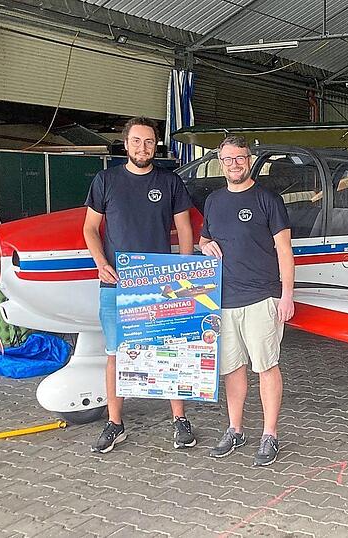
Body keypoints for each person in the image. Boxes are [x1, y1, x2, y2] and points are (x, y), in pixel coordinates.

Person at [82, 117, 196, 454]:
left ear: (156, 145)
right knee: (115, 354)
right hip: (116, 282)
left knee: (168, 351)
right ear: (126, 143)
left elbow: (185, 229)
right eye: (136, 141)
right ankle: (115, 424)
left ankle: (179, 420)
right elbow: (90, 228)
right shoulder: (106, 180)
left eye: (148, 142)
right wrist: (101, 263)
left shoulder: (170, 181)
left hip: (160, 283)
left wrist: (182, 270)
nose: (142, 147)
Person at [198, 135, 294, 466]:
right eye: (228, 159)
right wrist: (202, 246)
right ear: (220, 162)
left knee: (266, 366)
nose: (234, 164)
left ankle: (270, 434)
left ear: (249, 160)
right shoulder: (213, 202)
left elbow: (284, 250)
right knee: (232, 369)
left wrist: (286, 295)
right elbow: (205, 238)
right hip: (223, 300)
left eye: (240, 158)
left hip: (260, 297)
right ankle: (235, 429)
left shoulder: (268, 200)